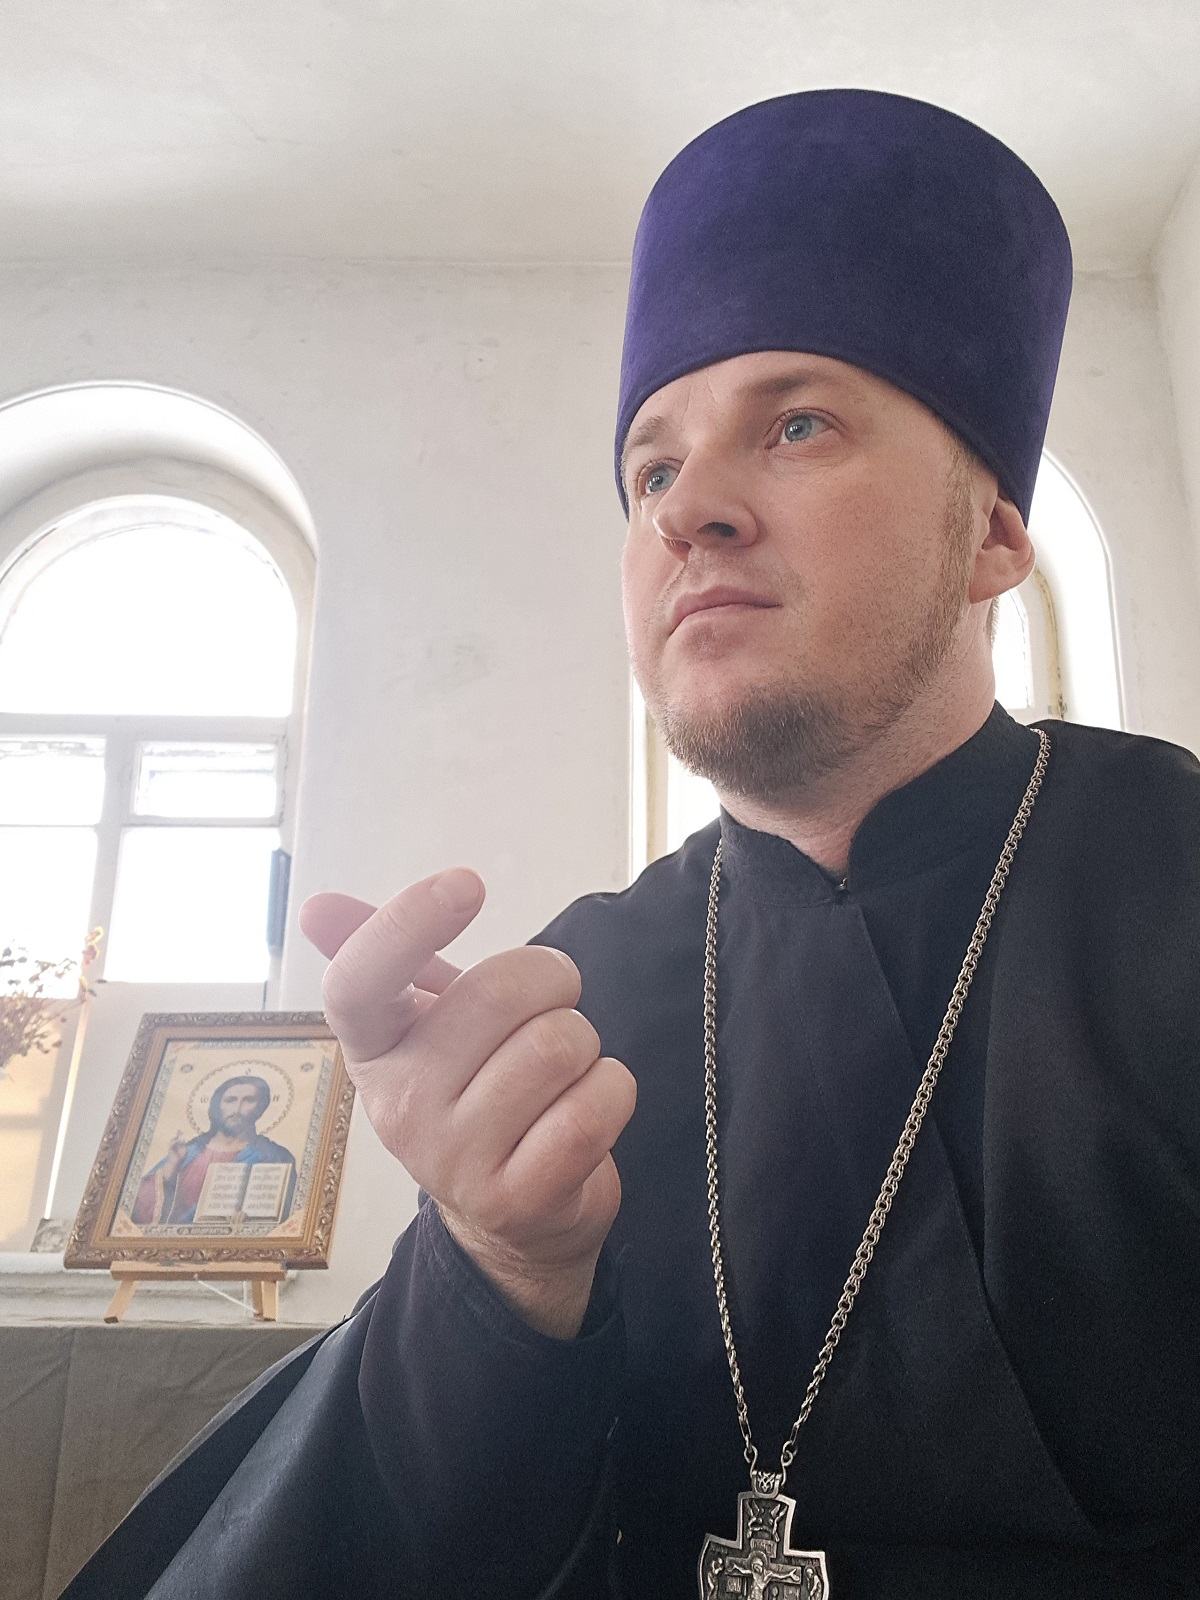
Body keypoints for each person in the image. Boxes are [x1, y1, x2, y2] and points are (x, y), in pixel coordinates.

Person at [63, 90, 1199, 1599]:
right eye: (651, 469)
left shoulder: (1173, 876)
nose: (688, 512)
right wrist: (501, 1272)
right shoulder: (576, 995)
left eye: (797, 425)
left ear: (993, 535)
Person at [131, 1075, 297, 1226]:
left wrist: (253, 1220)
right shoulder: (190, 1152)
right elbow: (138, 1207)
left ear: (260, 1107)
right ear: (218, 1105)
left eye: (248, 1100)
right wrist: (172, 1166)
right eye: (230, 1100)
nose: (237, 1109)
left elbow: (289, 1216)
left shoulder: (274, 1156)